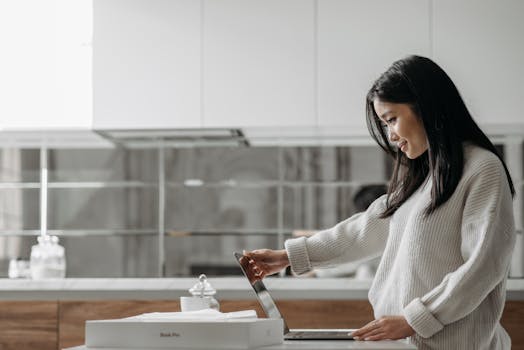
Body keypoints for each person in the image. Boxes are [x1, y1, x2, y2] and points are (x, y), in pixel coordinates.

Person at [243, 55, 516, 350]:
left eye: (392, 119)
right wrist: (286, 256)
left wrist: (415, 319)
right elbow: (361, 232)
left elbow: (485, 266)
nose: (391, 135)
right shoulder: (423, 179)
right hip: (407, 343)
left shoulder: (481, 169)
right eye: (385, 124)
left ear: (426, 107)